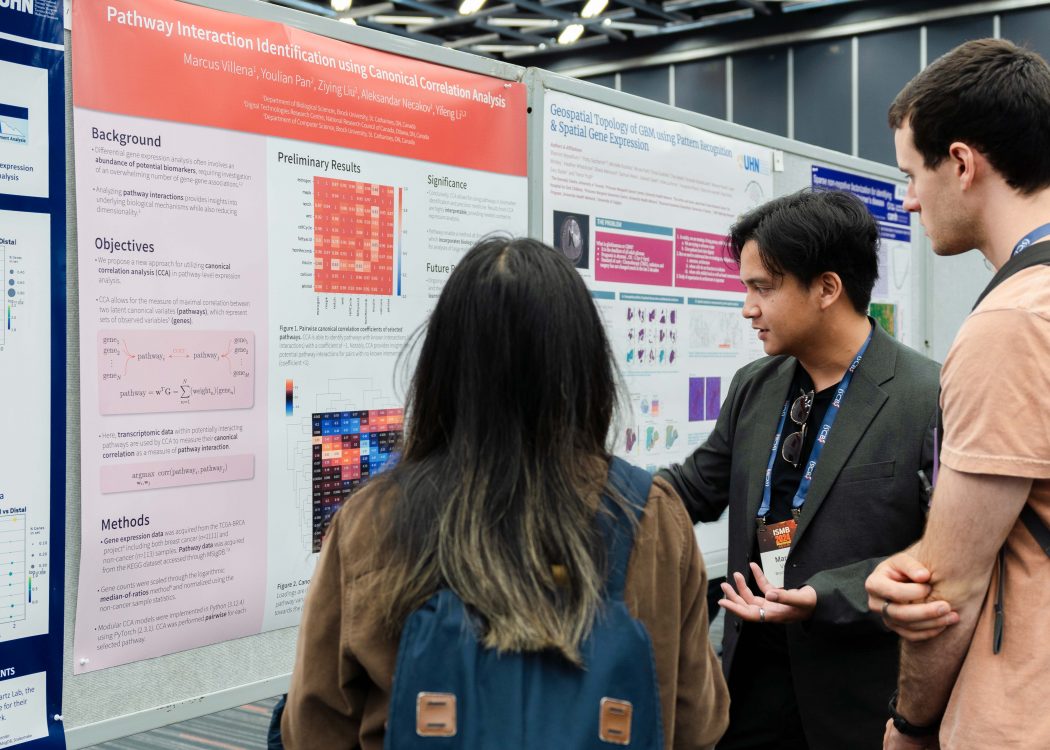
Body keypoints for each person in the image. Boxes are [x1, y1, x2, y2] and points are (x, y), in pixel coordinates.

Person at [281, 236, 729, 749]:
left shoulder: (372, 519)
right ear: (586, 367)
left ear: (443, 365)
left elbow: (313, 727)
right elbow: (698, 721)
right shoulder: (651, 515)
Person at [658, 189, 940, 750]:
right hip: (751, 682)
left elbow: (944, 558)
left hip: (857, 696)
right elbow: (691, 489)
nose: (748, 308)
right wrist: (588, 493)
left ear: (827, 289)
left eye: (762, 288)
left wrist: (825, 596)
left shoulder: (925, 395)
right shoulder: (753, 387)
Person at [864, 38, 1050, 750]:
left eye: (912, 173)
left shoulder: (1013, 321)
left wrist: (909, 725)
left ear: (963, 164)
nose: (908, 200)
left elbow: (948, 594)